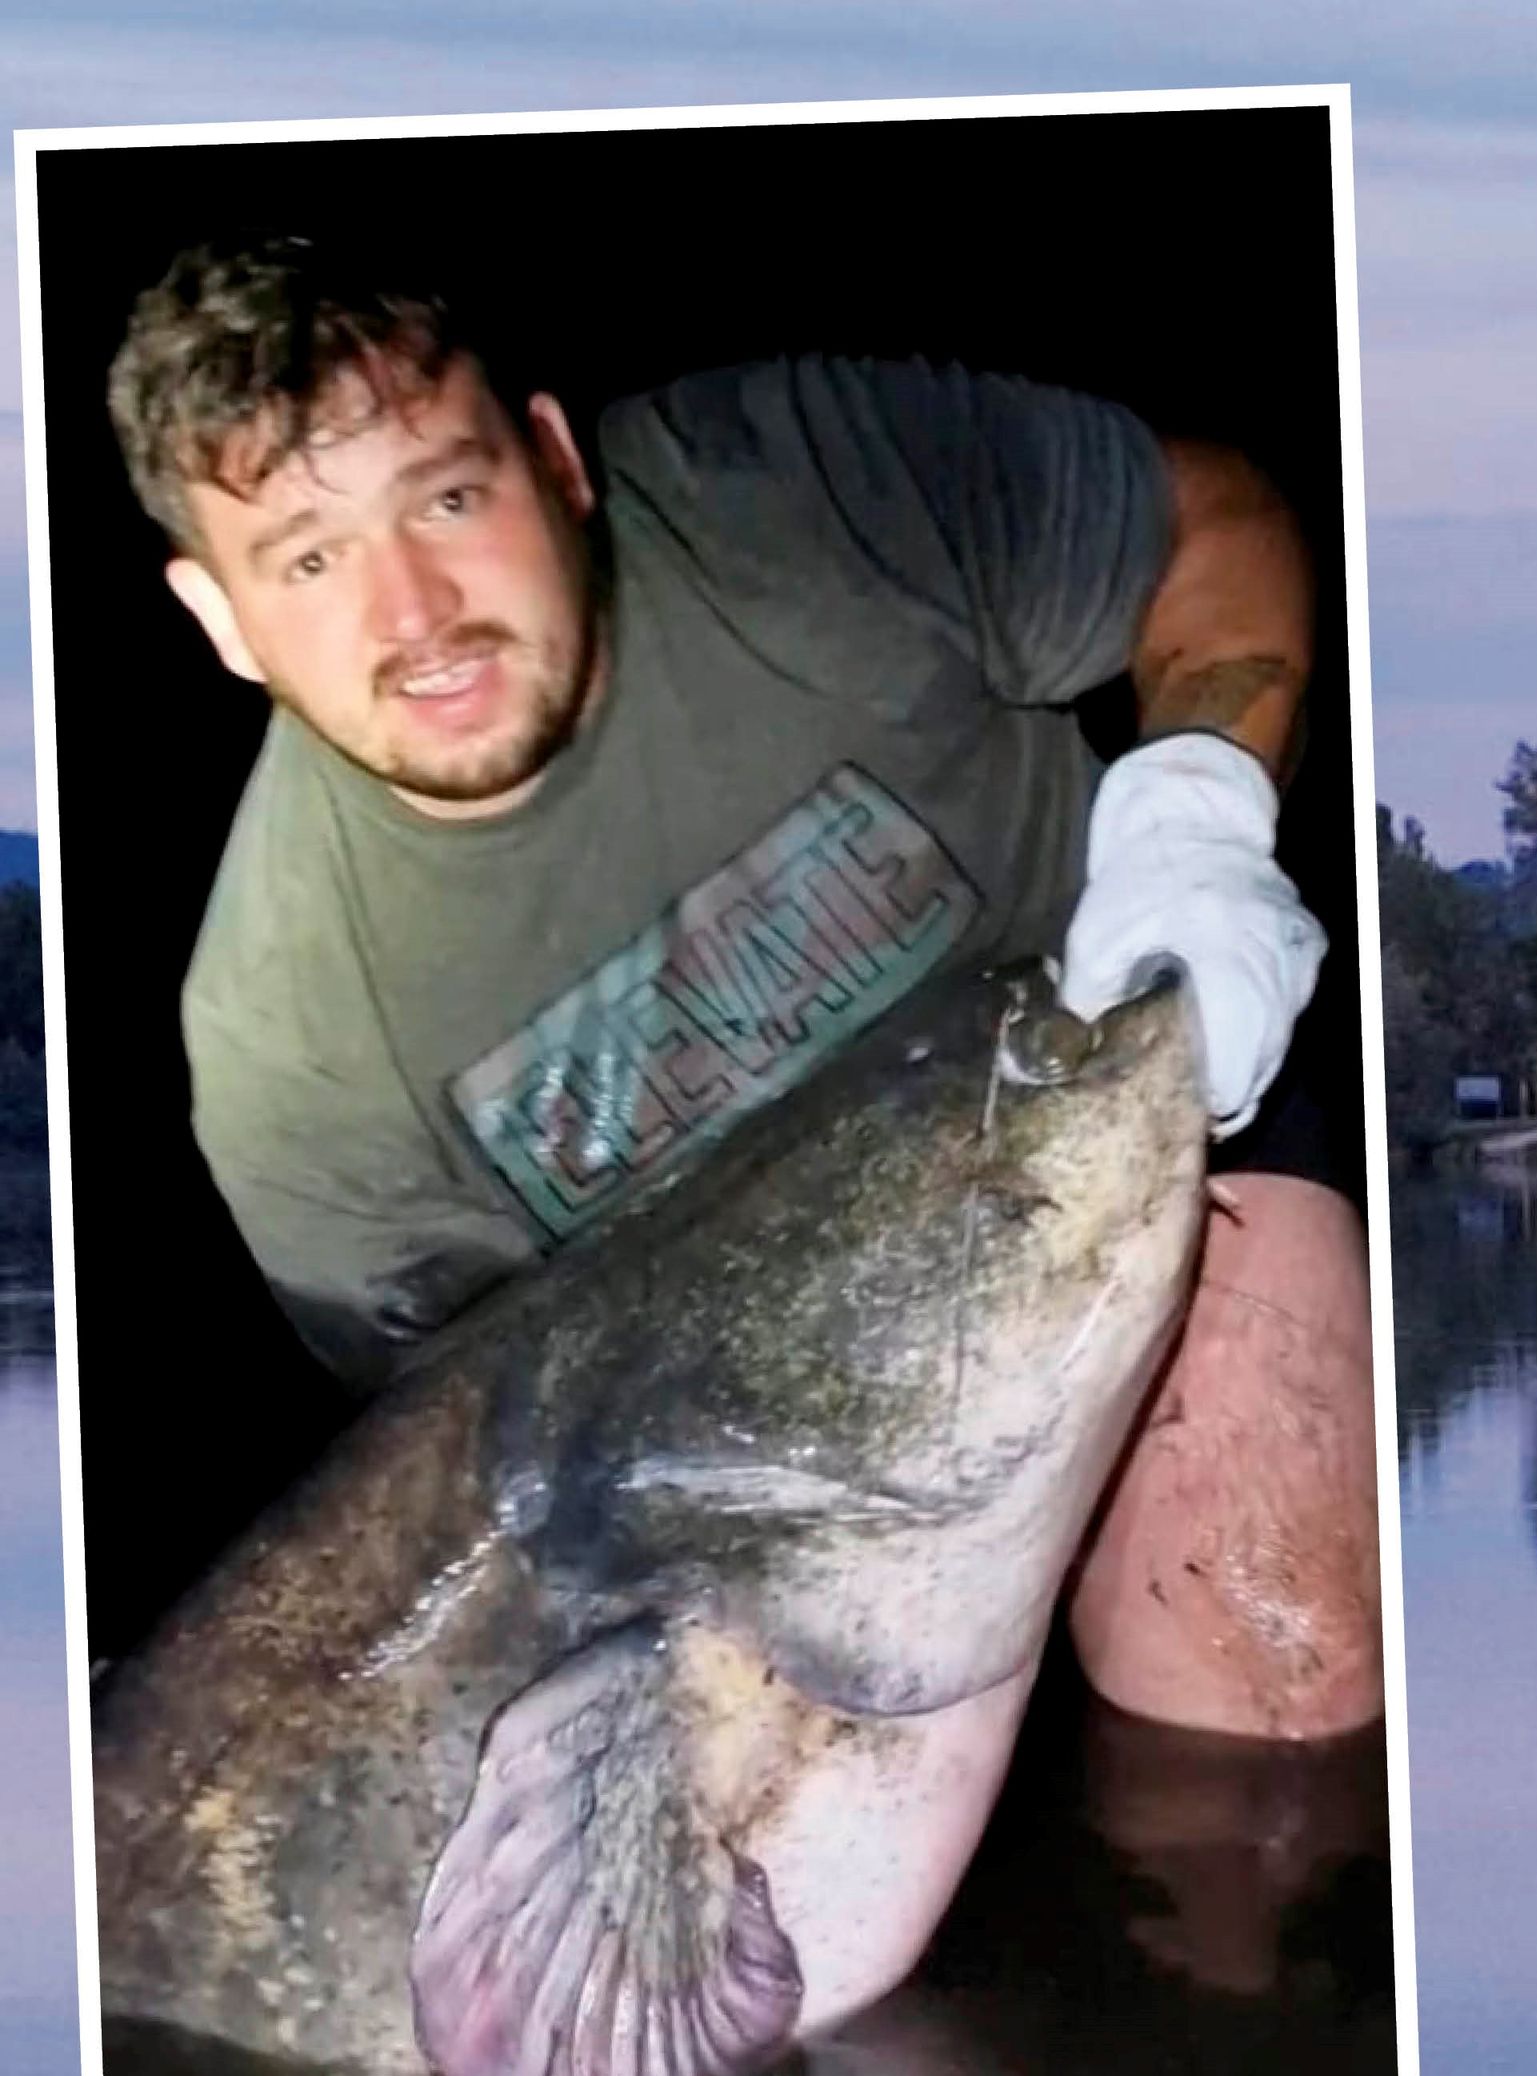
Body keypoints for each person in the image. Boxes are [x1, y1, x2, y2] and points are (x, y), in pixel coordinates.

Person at [109, 235, 1379, 1742]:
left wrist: (1198, 820)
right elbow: (453, 1503)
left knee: (1275, 1681)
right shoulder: (287, 1053)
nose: (414, 612)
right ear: (220, 617)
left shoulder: (792, 488)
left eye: (449, 498)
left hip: (1114, 1125)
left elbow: (1212, 528)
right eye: (309, 558)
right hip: (751, 1466)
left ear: (554, 462)